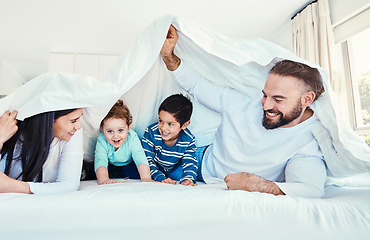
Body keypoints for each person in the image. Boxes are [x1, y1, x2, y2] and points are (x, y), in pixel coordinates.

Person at [160, 25, 327, 198]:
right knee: (135, 165)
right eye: (265, 95)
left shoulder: (309, 138)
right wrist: (168, 56)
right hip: (198, 159)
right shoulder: (245, 101)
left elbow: (310, 189)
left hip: (208, 179)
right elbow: (196, 85)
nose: (266, 105)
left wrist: (256, 185)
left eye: (278, 99)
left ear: (307, 99)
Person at [0, 108, 84, 195]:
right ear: (49, 119)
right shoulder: (14, 132)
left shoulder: (73, 134)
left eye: (79, 119)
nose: (78, 126)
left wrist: (8, 185)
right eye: (73, 120)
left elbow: (69, 185)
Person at [141, 94, 201, 186]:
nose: (163, 128)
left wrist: (188, 179)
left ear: (185, 125)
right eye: (161, 121)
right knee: (140, 167)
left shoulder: (188, 139)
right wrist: (160, 177)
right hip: (155, 168)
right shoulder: (151, 133)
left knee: (192, 169)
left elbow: (190, 162)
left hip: (175, 169)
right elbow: (147, 160)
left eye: (170, 124)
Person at [94, 100, 152, 184]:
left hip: (129, 165)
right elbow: (100, 160)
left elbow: (140, 158)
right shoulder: (102, 139)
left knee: (139, 171)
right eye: (110, 131)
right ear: (102, 130)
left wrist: (146, 178)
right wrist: (104, 180)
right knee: (97, 171)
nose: (115, 136)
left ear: (128, 128)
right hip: (110, 166)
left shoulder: (132, 137)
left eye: (120, 130)